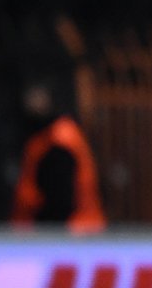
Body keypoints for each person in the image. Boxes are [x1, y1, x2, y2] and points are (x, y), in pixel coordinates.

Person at [11, 80, 106, 234]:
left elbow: (60, 200)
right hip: (64, 232)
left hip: (70, 234)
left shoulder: (58, 140)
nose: (32, 103)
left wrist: (45, 232)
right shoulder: (44, 135)